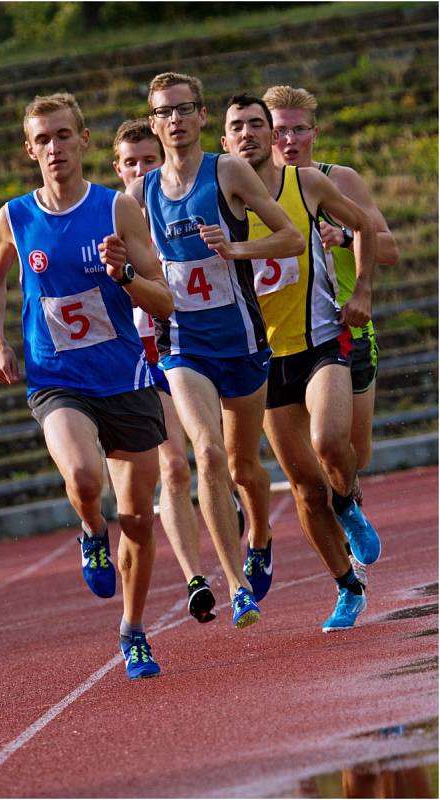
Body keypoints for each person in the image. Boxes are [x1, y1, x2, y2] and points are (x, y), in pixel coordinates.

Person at [0, 92, 174, 680]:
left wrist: (123, 273)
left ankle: (132, 630)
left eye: (63, 135)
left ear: (84, 140)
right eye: (43, 139)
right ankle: (91, 530)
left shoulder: (117, 210)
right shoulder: (15, 216)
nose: (54, 148)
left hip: (125, 378)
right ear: (29, 149)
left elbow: (165, 299)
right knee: (85, 477)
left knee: (140, 519)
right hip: (55, 378)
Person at [128, 72, 305, 629]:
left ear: (202, 117)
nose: (175, 120)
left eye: (184, 109)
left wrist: (237, 248)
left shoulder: (225, 171)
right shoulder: (141, 194)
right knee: (205, 454)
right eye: (164, 112)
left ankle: (261, 535)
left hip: (243, 340)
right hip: (184, 345)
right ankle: (236, 587)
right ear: (154, 123)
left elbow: (291, 238)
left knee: (246, 466)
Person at [221, 93, 381, 631]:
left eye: (256, 125)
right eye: (236, 127)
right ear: (224, 144)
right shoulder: (215, 202)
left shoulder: (305, 184)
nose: (248, 135)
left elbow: (364, 226)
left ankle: (348, 504)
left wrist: (362, 292)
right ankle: (346, 586)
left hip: (320, 340)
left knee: (333, 443)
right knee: (304, 487)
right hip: (264, 360)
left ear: (272, 135)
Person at [263, 85, 400, 582]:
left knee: (351, 454)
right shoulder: (246, 190)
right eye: (278, 129)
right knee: (313, 465)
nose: (288, 139)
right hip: (278, 341)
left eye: (298, 128)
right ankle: (340, 536)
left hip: (344, 328)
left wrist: (343, 236)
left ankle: (348, 495)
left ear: (314, 133)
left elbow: (388, 249)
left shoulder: (336, 180)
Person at [113, 118, 245, 624]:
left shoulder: (183, 206)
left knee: (218, 455)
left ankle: (236, 515)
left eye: (151, 161)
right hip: (142, 352)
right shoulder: (111, 219)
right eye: (132, 164)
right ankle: (195, 577)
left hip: (195, 340)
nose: (143, 171)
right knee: (173, 466)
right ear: (118, 169)